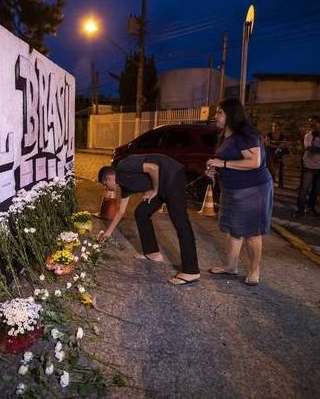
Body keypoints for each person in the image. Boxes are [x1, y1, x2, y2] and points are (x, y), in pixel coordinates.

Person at [96, 154, 200, 286]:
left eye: (105, 184)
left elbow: (153, 168)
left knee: (181, 223)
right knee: (141, 213)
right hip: (160, 185)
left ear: (109, 178)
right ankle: (152, 253)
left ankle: (191, 271)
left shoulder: (124, 165)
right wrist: (107, 234)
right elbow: (120, 212)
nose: (107, 187)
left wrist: (154, 190)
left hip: (172, 176)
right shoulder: (125, 187)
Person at [205, 99, 273, 286]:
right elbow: (226, 160)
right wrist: (214, 168)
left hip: (253, 189)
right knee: (234, 230)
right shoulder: (226, 135)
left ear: (231, 115)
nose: (216, 116)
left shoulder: (246, 135)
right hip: (232, 189)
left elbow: (254, 162)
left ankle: (254, 270)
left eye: (219, 112)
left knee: (252, 232)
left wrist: (223, 164)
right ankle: (231, 267)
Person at [292, 116, 320, 219]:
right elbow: (309, 148)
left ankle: (311, 207)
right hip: (309, 166)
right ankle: (300, 209)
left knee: (316, 189)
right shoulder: (310, 135)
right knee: (304, 189)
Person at [263, 121, 287, 187]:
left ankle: (273, 174)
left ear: (279, 127)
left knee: (278, 155)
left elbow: (283, 144)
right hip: (270, 151)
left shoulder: (282, 136)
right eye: (273, 126)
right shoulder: (269, 135)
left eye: (276, 126)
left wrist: (278, 147)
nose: (274, 127)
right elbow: (268, 144)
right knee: (270, 156)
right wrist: (277, 146)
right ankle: (272, 174)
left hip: (278, 151)